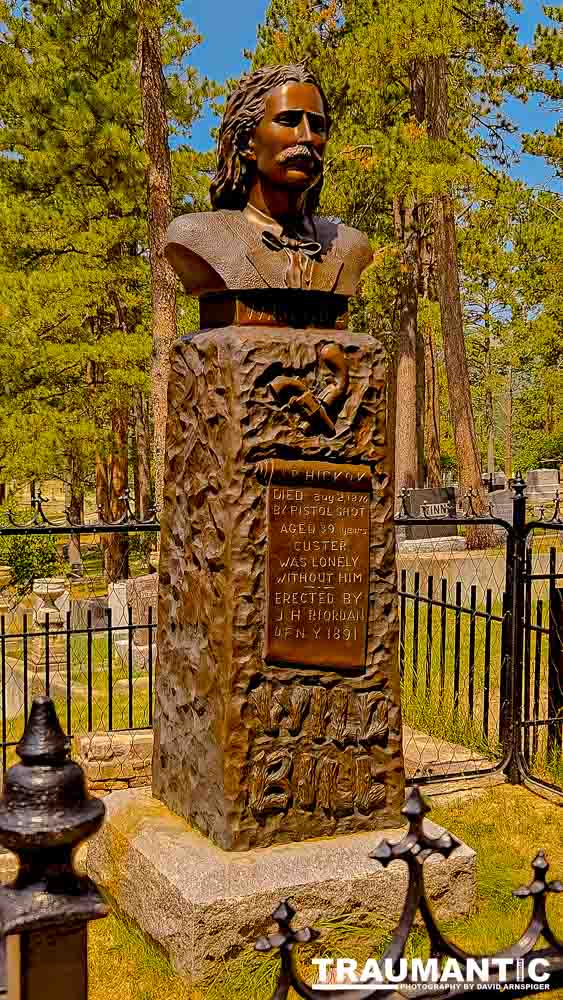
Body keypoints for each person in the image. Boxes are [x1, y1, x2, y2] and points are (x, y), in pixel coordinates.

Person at [165, 63, 373, 298]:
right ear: (246, 141)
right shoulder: (199, 235)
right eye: (288, 121)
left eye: (317, 126)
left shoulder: (350, 245)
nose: (307, 137)